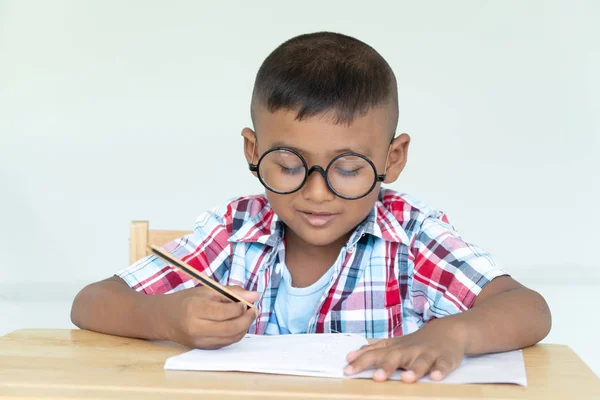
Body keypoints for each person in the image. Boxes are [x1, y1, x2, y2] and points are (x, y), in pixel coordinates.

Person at [71, 32, 551, 383]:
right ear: (253, 152)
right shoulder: (232, 231)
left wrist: (455, 335)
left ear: (392, 159)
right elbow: (89, 303)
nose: (316, 194)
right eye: (288, 164)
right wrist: (166, 319)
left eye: (347, 169)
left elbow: (529, 309)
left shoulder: (411, 237)